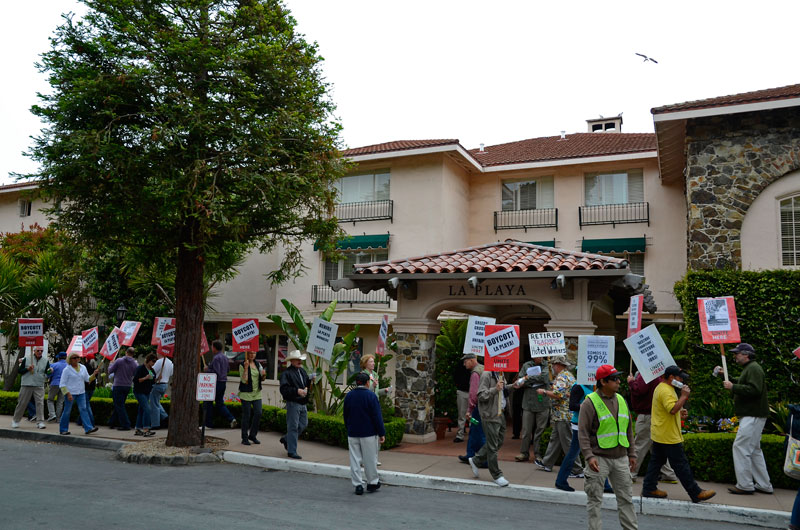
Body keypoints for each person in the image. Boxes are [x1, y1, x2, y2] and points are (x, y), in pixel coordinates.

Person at [641, 365, 716, 503]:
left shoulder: (663, 388)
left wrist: (681, 411)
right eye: (680, 378)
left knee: (656, 462)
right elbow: (672, 409)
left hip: (661, 433)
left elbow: (671, 409)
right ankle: (696, 493)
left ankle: (649, 488)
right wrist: (684, 397)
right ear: (671, 377)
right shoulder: (666, 391)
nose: (682, 381)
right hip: (668, 435)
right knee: (681, 465)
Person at [578, 364, 637, 530]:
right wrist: (589, 457)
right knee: (595, 500)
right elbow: (582, 433)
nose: (619, 381)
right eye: (614, 379)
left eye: (618, 378)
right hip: (598, 460)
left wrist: (632, 453)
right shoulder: (590, 403)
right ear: (603, 382)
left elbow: (628, 430)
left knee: (626, 499)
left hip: (620, 459)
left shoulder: (621, 399)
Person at [715, 343, 773, 495]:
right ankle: (764, 484)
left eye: (737, 353)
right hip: (754, 415)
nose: (735, 356)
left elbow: (754, 390)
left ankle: (745, 485)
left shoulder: (753, 368)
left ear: (746, 354)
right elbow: (745, 385)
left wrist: (733, 387)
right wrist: (726, 377)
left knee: (740, 447)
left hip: (752, 415)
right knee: (753, 450)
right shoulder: (751, 368)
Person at [627, 371, 678, 483]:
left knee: (639, 446)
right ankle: (669, 474)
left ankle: (630, 474)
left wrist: (631, 382)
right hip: (654, 415)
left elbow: (640, 390)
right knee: (658, 448)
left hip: (646, 416)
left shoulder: (646, 374)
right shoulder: (658, 375)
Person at [343, 372, 386, 495]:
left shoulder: (349, 396)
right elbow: (377, 416)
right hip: (368, 433)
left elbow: (346, 415)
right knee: (370, 459)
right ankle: (372, 482)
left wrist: (348, 427)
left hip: (353, 432)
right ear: (368, 382)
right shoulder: (371, 396)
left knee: (355, 459)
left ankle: (358, 485)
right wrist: (381, 432)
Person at [538, 358, 582, 476]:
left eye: (553, 365)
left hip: (563, 414)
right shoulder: (569, 375)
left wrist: (544, 392)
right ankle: (547, 463)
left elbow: (558, 394)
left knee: (567, 442)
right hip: (562, 415)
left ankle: (577, 470)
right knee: (555, 439)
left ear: (558, 365)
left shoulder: (562, 377)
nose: (552, 367)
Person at [468, 368, 509, 487]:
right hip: (490, 414)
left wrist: (513, 386)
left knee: (498, 442)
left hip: (500, 413)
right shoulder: (487, 374)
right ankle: (497, 475)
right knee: (492, 446)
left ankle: (476, 460)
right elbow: (481, 395)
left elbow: (503, 390)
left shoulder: (500, 373)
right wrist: (495, 389)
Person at [513, 356, 550, 465]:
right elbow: (520, 381)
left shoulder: (548, 365)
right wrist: (527, 379)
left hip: (543, 403)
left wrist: (528, 378)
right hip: (528, 403)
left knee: (540, 430)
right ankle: (524, 453)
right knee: (526, 430)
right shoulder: (526, 365)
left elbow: (545, 378)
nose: (539, 357)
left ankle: (538, 454)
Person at [279, 350, 315, 459]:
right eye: (298, 359)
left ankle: (287, 438)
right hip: (293, 402)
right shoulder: (286, 373)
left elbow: (305, 385)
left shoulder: (302, 371)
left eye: (300, 359)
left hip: (302, 402)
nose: (300, 361)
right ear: (292, 361)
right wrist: (297, 391)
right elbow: (284, 389)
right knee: (293, 427)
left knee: (303, 424)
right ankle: (291, 451)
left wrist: (310, 380)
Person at [360, 353, 390, 465]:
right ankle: (363, 459)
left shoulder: (376, 375)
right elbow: (364, 391)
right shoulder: (363, 375)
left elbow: (375, 392)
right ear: (365, 364)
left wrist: (384, 391)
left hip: (375, 405)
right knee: (366, 433)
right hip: (366, 407)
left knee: (377, 432)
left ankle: (375, 458)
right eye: (371, 362)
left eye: (373, 361)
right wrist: (372, 386)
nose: (373, 363)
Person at [59, 353, 99, 435]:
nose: (76, 359)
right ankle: (63, 429)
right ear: (70, 359)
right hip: (71, 393)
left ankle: (88, 428)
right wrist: (68, 393)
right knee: (67, 411)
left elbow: (87, 379)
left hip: (81, 392)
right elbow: (62, 384)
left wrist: (94, 374)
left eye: (77, 357)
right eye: (74, 358)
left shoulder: (83, 367)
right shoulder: (66, 370)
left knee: (83, 409)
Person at [458, 353, 486, 466]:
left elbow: (473, 394)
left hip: (478, 408)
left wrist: (469, 409)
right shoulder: (484, 369)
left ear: (471, 360)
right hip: (485, 406)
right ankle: (470, 455)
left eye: (465, 362)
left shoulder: (475, 373)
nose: (464, 365)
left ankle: (483, 460)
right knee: (474, 432)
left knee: (479, 433)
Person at [11, 347, 49, 429]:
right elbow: (20, 371)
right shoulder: (27, 359)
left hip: (39, 384)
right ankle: (16, 420)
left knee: (40, 403)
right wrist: (27, 369)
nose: (40, 352)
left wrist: (50, 370)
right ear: (34, 351)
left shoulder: (45, 360)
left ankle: (40, 422)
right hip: (27, 383)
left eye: (41, 351)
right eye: (38, 350)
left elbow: (47, 371)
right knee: (22, 403)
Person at [205, 340, 238, 429]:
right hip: (223, 383)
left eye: (212, 346)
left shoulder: (216, 358)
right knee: (219, 403)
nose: (211, 348)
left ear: (215, 348)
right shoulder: (225, 357)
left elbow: (216, 372)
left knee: (208, 402)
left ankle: (208, 423)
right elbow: (227, 370)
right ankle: (231, 418)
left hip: (216, 383)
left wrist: (208, 369)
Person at [239, 349, 266, 445]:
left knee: (258, 413)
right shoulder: (242, 365)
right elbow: (243, 381)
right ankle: (244, 438)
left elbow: (262, 378)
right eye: (250, 353)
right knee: (247, 415)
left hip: (257, 393)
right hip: (246, 393)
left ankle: (253, 435)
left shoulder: (258, 364)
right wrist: (246, 368)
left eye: (254, 353)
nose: (252, 355)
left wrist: (263, 375)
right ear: (247, 353)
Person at [108, 347, 138, 431]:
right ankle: (111, 422)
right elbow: (135, 374)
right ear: (133, 354)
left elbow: (110, 371)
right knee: (119, 404)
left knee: (119, 405)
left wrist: (111, 364)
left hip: (118, 385)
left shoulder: (119, 361)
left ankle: (126, 424)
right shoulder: (135, 364)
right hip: (127, 385)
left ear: (126, 352)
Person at [133, 353, 157, 437]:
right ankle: (146, 428)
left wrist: (156, 379)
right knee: (147, 409)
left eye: (155, 361)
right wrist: (145, 378)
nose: (154, 363)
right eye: (153, 361)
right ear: (148, 360)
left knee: (142, 410)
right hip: (139, 391)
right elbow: (136, 380)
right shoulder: (140, 369)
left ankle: (138, 428)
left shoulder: (152, 370)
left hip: (147, 392)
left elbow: (153, 380)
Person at [149, 351, 173, 430]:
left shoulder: (159, 362)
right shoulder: (170, 362)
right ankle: (165, 417)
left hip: (158, 384)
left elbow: (151, 372)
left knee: (154, 404)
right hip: (165, 384)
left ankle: (155, 424)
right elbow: (171, 373)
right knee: (156, 402)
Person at [77, 354, 98, 429]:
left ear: (86, 359)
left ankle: (91, 422)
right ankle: (80, 420)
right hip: (92, 388)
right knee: (84, 405)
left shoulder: (84, 366)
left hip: (85, 388)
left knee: (86, 406)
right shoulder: (95, 367)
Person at [453, 358, 471, 443]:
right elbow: (455, 375)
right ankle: (460, 434)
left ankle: (473, 434)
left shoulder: (479, 364)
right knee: (461, 414)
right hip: (462, 391)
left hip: (473, 392)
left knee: (473, 415)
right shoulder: (460, 363)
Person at [46, 351, 68, 422]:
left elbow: (48, 375)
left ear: (58, 358)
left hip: (55, 384)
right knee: (60, 402)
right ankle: (58, 418)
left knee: (50, 399)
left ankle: (52, 415)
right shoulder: (69, 366)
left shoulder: (53, 365)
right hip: (64, 385)